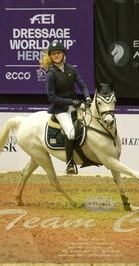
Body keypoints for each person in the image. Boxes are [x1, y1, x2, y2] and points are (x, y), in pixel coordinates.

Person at [40, 41, 92, 174]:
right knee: (72, 133)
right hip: (60, 109)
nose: (56, 55)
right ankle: (70, 162)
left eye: (58, 53)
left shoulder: (71, 69)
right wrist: (72, 102)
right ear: (50, 56)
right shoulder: (51, 74)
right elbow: (52, 98)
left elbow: (83, 86)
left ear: (63, 54)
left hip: (75, 104)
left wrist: (87, 98)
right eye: (53, 54)